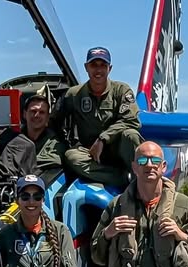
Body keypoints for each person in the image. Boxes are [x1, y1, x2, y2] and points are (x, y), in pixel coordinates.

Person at [50, 46, 142, 188]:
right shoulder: (74, 94)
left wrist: (103, 139)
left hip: (119, 151)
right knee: (71, 157)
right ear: (86, 67)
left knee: (131, 135)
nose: (98, 70)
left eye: (103, 65)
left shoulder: (121, 90)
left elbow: (131, 121)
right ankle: (121, 179)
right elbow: (54, 121)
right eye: (94, 65)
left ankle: (141, 181)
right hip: (90, 155)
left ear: (109, 68)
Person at [0, 90, 66, 182]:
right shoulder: (12, 139)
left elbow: (53, 165)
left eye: (42, 112)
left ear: (48, 117)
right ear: (24, 114)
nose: (37, 115)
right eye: (33, 111)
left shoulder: (56, 145)